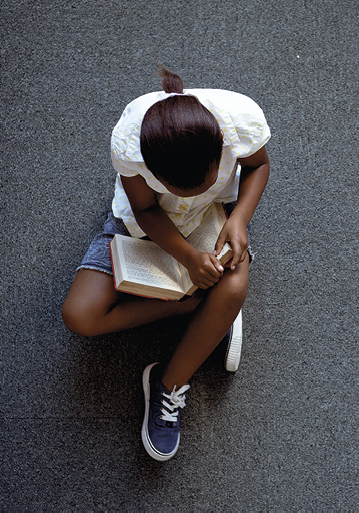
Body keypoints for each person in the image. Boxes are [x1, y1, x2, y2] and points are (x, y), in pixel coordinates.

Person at [62, 66, 270, 461]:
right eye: (177, 187)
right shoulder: (129, 143)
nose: (189, 193)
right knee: (79, 316)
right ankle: (198, 306)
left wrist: (239, 218)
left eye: (206, 179)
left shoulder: (239, 120)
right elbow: (143, 209)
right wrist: (190, 259)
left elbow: (259, 166)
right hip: (145, 224)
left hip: (212, 216)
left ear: (219, 150)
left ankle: (168, 381)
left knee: (235, 284)